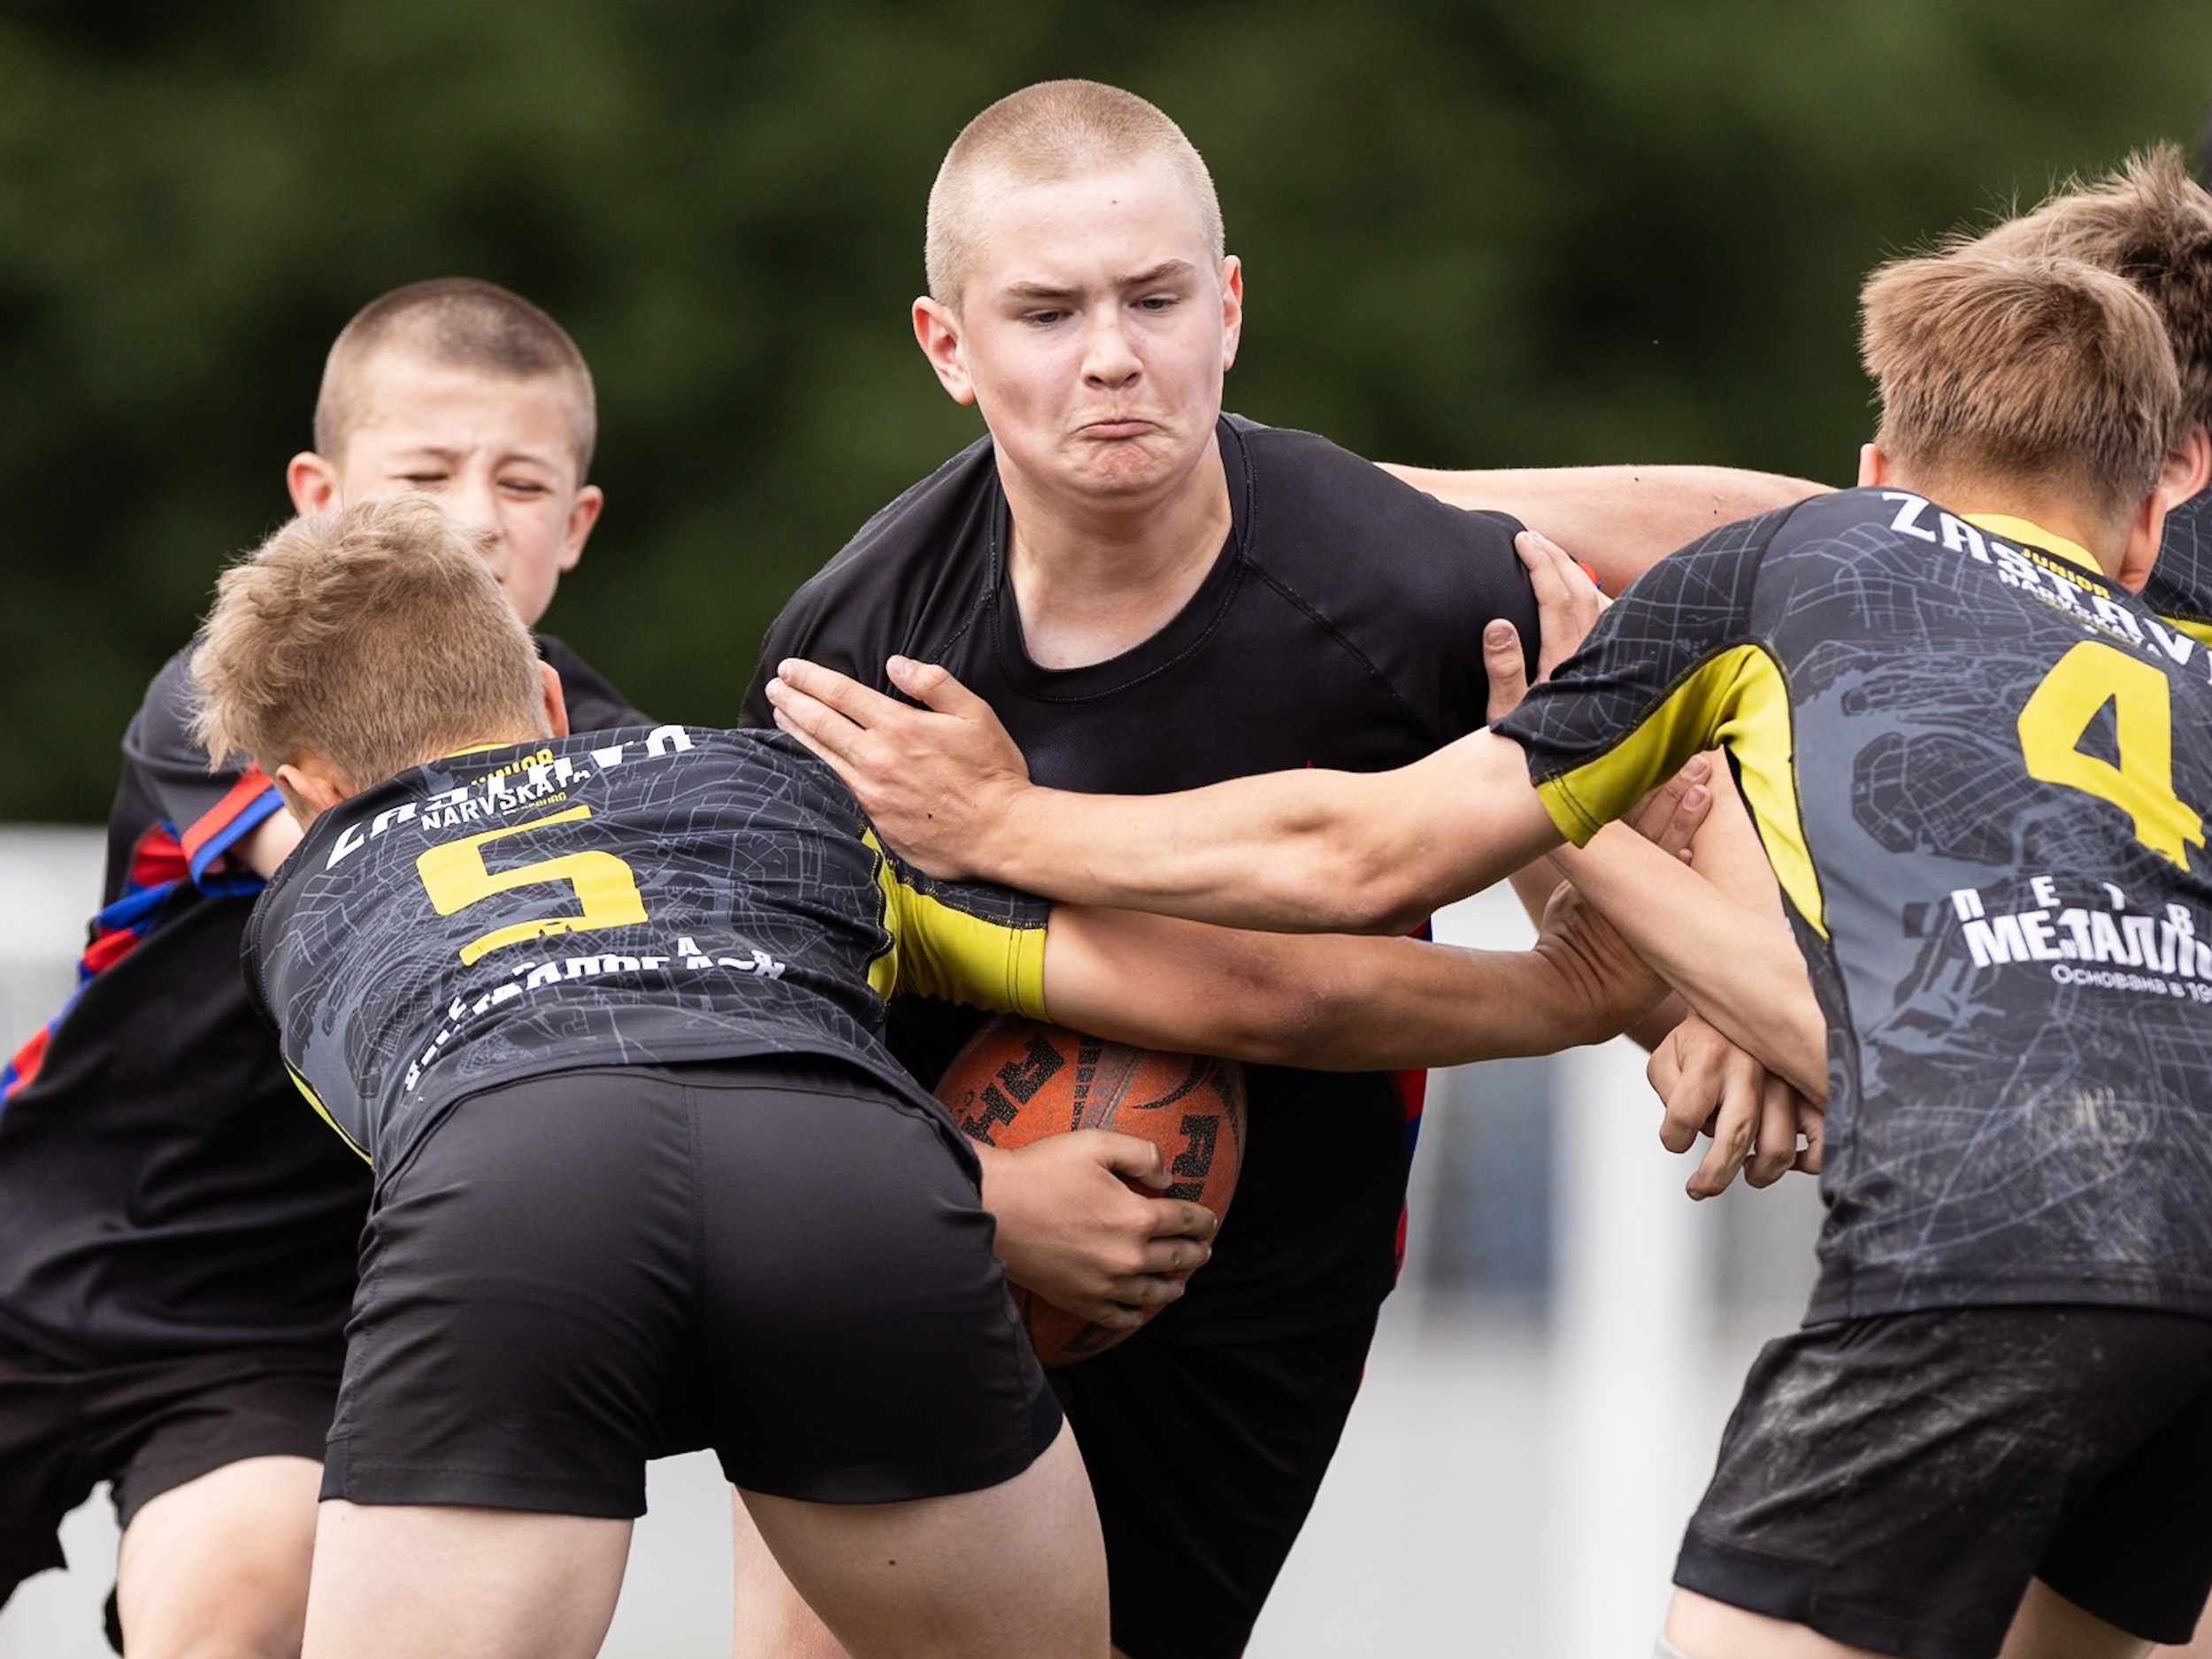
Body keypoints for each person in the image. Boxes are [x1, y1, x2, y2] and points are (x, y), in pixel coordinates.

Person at [772, 243, 2212, 1659]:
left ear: (1879, 474)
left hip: (1986, 1232)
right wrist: (1623, 923)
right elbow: (1981, 1004)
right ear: (2151, 529)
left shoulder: (1808, 556)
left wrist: (1003, 821)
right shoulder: (2193, 670)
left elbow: (1356, 856)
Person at [195, 494, 1686, 1659]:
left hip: (516, 1187)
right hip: (845, 1187)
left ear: (303, 792)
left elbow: (583, 1114)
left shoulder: (308, 903)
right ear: (545, 695)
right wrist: (1559, 995)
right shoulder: (768, 785)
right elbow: (1239, 988)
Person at [736, 76, 1822, 1656]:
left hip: (1260, 1278)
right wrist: (977, 1201)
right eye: (1046, 312)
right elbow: (775, 1043)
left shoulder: (1405, 583)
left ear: (1228, 309)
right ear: (947, 347)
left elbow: (1719, 675)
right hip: (938, 1230)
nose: (1111, 355)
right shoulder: (858, 656)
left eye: (1154, 298)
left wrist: (1722, 994)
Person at [0, 278, 644, 1659]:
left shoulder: (614, 763)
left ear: (576, 525)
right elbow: (371, 876)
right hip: (33, 1258)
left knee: (242, 1614)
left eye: (522, 480)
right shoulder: (225, 693)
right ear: (318, 495)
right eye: (424, 472)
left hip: (278, 1341)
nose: (474, 515)